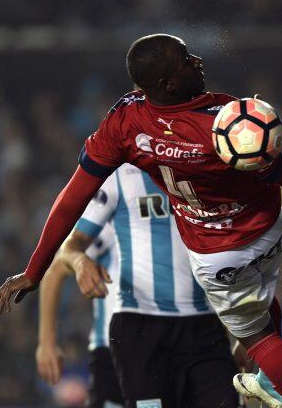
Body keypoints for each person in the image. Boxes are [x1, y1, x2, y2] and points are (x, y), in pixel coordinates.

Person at [0, 34, 282, 408]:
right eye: (186, 59)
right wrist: (269, 137)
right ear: (168, 83)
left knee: (260, 338)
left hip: (217, 256)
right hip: (268, 231)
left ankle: (278, 381)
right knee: (261, 308)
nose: (198, 60)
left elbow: (71, 198)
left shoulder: (123, 123)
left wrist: (34, 269)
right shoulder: (222, 122)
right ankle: (273, 379)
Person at [38, 164, 244, 408]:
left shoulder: (199, 179)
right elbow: (57, 267)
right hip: (125, 342)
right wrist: (47, 343)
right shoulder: (110, 219)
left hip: (199, 328)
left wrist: (246, 333)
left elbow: (232, 262)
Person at [36, 224, 124, 408]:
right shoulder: (111, 228)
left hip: (162, 341)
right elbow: (54, 271)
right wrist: (47, 342)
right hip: (110, 353)